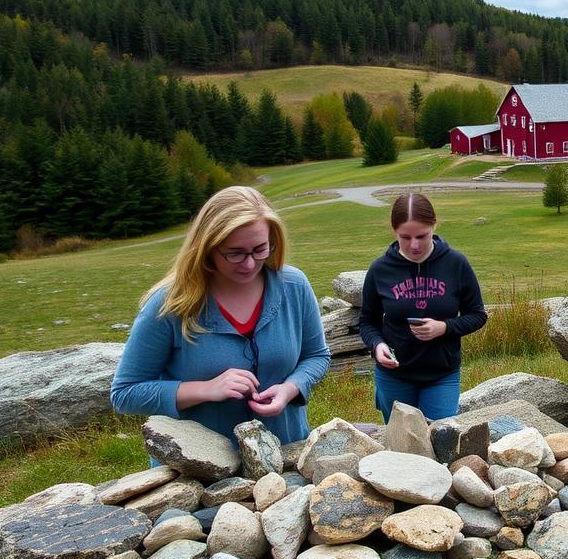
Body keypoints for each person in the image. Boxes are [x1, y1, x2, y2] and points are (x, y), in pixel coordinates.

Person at [112, 186, 329, 445]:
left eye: (260, 249)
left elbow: (316, 356)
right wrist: (205, 389)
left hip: (286, 457)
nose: (249, 263)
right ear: (206, 248)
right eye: (235, 253)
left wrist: (291, 388)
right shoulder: (170, 304)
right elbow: (125, 394)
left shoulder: (293, 285)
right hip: (199, 473)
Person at [359, 193, 487, 422]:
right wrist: (377, 346)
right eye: (405, 237)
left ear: (434, 225)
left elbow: (477, 315)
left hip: (442, 374)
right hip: (394, 376)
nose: (414, 245)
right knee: (402, 444)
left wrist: (444, 327)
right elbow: (368, 321)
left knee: (440, 439)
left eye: (422, 236)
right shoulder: (380, 269)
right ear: (393, 230)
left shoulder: (456, 263)